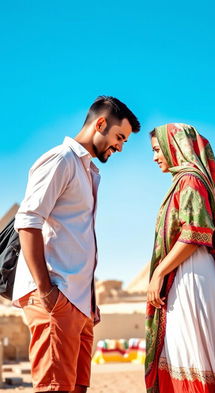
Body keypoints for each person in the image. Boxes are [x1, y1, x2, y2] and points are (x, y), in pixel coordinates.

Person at [12, 96, 140, 393]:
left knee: (76, 388)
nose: (120, 146)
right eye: (119, 137)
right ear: (100, 123)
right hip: (57, 298)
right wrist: (47, 292)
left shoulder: (88, 171)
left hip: (80, 305)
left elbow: (78, 241)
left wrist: (89, 302)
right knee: (55, 388)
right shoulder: (61, 159)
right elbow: (28, 221)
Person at [145, 123, 215, 393]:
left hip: (191, 278)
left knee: (191, 352)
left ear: (175, 146)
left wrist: (159, 273)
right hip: (191, 274)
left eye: (158, 150)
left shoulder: (190, 180)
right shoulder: (185, 180)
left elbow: (196, 233)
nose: (155, 157)